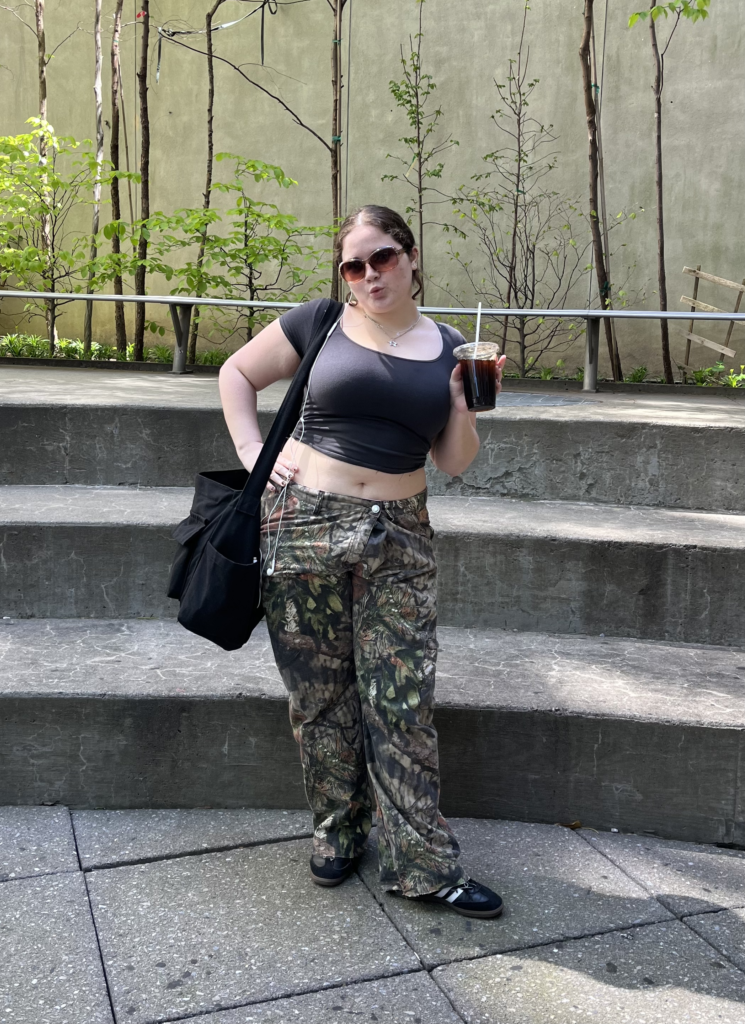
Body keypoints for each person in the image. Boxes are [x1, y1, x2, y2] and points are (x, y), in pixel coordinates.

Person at [219, 204, 506, 919]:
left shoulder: (448, 347)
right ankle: (338, 831)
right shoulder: (319, 322)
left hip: (400, 533)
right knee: (319, 696)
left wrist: (463, 404)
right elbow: (236, 374)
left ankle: (424, 864)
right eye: (354, 264)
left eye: (381, 258)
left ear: (410, 257)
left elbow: (455, 463)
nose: (368, 274)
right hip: (305, 522)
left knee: (401, 700)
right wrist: (255, 453)